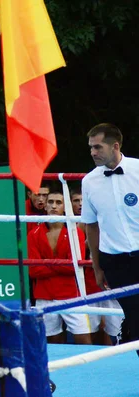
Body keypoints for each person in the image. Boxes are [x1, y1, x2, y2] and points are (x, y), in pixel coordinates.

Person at [81, 123, 139, 354]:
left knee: (136, 320)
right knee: (135, 315)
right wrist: (96, 266)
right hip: (114, 261)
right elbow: (91, 226)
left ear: (115, 146)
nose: (93, 152)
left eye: (98, 147)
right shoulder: (89, 182)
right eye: (91, 147)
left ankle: (128, 334)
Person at [28, 189, 96, 344]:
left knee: (84, 339)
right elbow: (34, 270)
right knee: (52, 343)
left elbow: (74, 267)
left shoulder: (75, 232)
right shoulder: (33, 234)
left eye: (58, 202)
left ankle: (89, 368)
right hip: (45, 296)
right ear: (45, 206)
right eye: (50, 202)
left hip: (71, 295)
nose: (53, 206)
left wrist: (47, 263)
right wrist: (61, 264)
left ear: (65, 207)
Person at [70, 186, 124, 346]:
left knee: (114, 326)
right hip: (89, 280)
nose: (80, 204)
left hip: (114, 276)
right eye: (76, 201)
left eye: (82, 201)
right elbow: (76, 252)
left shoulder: (115, 218)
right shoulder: (75, 226)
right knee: (93, 326)